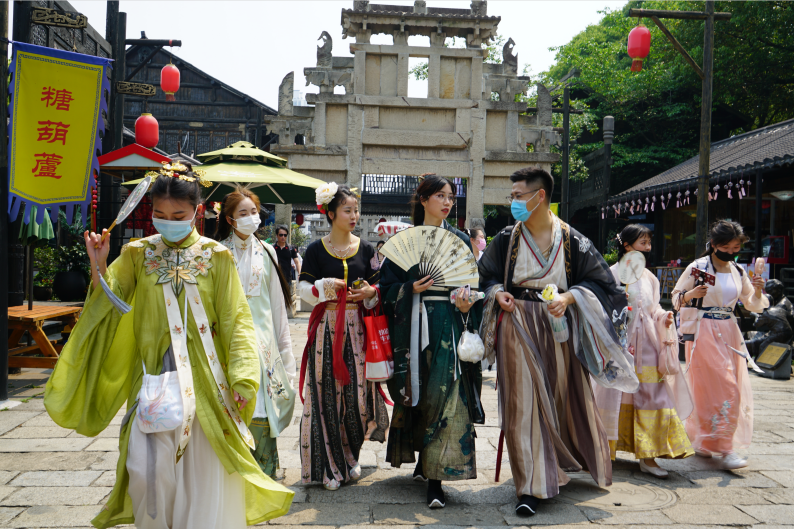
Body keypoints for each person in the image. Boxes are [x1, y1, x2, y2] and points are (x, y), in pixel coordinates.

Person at [44, 162, 293, 529]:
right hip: (154, 376)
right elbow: (107, 309)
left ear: (197, 212)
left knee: (203, 470)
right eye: (159, 215)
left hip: (208, 380)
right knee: (146, 471)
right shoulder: (136, 254)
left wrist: (242, 377)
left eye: (178, 214)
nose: (168, 221)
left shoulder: (216, 257)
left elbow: (236, 320)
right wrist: (99, 266)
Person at [478, 167, 636, 517]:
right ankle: (531, 485)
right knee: (523, 402)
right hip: (517, 321)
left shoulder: (573, 240)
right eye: (513, 196)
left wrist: (571, 298)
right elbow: (484, 275)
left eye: (518, 196)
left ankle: (561, 460)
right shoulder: (506, 238)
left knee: (562, 396)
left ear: (540, 196)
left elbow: (603, 284)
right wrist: (497, 292)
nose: (514, 202)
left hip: (559, 323)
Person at [380, 174, 483, 509]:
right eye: (440, 195)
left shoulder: (460, 241)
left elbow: (470, 289)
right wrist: (410, 288)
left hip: (448, 327)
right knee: (418, 395)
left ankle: (436, 481)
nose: (447, 202)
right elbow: (385, 290)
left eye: (451, 196)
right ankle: (425, 460)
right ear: (423, 199)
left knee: (447, 396)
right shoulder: (406, 242)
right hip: (413, 326)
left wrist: (467, 303)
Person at [297, 183, 387, 491]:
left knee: (358, 397)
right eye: (347, 210)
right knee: (325, 397)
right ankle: (328, 466)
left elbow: (379, 289)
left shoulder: (366, 249)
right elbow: (301, 292)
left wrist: (371, 292)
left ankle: (351, 455)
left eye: (356, 210)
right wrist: (324, 286)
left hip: (359, 328)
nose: (354, 216)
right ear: (330, 213)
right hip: (326, 329)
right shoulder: (314, 250)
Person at [593, 225, 694, 480]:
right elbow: (602, 308)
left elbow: (654, 308)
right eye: (642, 243)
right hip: (619, 345)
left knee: (653, 395)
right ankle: (604, 449)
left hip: (648, 345)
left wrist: (665, 317)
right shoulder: (610, 274)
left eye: (649, 243)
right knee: (612, 395)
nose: (647, 248)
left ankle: (648, 455)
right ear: (627, 245)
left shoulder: (650, 277)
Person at [672, 220, 768, 470]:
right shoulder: (698, 267)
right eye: (728, 246)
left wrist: (757, 292)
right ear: (714, 245)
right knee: (725, 386)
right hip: (704, 329)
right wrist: (692, 295)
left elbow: (750, 303)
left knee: (718, 385)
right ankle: (726, 448)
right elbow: (675, 298)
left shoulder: (738, 270)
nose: (733, 251)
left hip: (729, 329)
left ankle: (705, 440)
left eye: (737, 247)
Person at [216, 188, 297, 479]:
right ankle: (235, 471)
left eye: (254, 212)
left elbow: (277, 306)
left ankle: (262, 470)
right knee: (233, 404)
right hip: (231, 344)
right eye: (243, 213)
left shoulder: (269, 251)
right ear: (230, 219)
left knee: (263, 404)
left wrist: (287, 357)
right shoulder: (218, 254)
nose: (251, 218)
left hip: (264, 344)